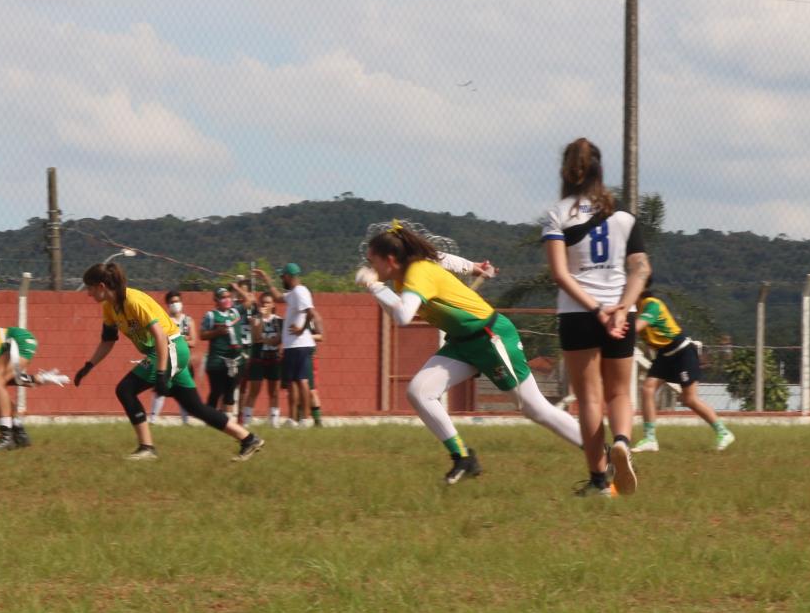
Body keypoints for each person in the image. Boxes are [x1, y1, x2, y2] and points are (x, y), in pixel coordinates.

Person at [356, 220, 583, 485]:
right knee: (420, 392)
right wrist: (473, 266)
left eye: (373, 261)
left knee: (535, 409)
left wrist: (374, 287)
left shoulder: (417, 273)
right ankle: (463, 458)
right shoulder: (405, 274)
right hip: (463, 342)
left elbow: (404, 315)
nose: (371, 267)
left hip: (490, 337)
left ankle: (603, 453)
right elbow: (443, 259)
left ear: (391, 260)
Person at [72, 262, 265, 462]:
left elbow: (161, 337)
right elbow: (108, 340)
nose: (88, 294)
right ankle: (249, 439)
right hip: (164, 352)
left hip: (170, 348)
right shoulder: (109, 307)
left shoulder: (133, 301)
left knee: (125, 389)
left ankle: (146, 447)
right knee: (195, 407)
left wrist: (162, 373)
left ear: (102, 287)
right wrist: (89, 366)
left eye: (90, 288)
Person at [543, 137, 650, 497]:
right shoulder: (623, 217)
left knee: (589, 398)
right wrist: (621, 307)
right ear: (600, 171)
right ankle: (622, 441)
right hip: (621, 314)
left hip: (579, 315)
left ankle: (600, 482)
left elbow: (560, 274)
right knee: (620, 393)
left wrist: (596, 309)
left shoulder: (558, 214)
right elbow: (640, 269)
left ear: (565, 171)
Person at [629, 286, 734, 453]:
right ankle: (650, 439)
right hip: (665, 354)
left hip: (682, 351)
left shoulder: (652, 304)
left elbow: (637, 327)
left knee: (689, 399)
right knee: (647, 389)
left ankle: (724, 432)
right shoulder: (637, 309)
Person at [252, 264, 320, 427]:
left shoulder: (301, 291)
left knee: (301, 380)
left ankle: (305, 419)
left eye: (282, 277)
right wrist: (266, 280)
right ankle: (293, 419)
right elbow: (277, 297)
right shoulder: (294, 293)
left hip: (299, 345)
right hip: (292, 345)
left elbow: (311, 312)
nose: (282, 280)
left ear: (289, 276)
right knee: (293, 381)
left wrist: (301, 329)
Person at [198, 285, 250, 415]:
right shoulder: (211, 315)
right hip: (217, 360)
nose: (227, 299)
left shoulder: (235, 312)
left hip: (234, 361)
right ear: (216, 300)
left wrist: (237, 288)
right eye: (223, 297)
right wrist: (217, 332)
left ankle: (228, 420)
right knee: (216, 391)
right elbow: (202, 335)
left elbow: (249, 300)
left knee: (230, 392)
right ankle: (209, 419)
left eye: (228, 296)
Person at [148, 289, 197, 424]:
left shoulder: (188, 321)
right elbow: (161, 339)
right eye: (172, 302)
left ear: (181, 302)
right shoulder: (164, 320)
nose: (175, 304)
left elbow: (193, 341)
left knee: (184, 391)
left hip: (184, 362)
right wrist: (182, 338)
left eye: (177, 301)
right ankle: (153, 418)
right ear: (167, 305)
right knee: (161, 388)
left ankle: (185, 420)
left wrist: (178, 340)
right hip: (168, 361)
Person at [239, 289, 284, 427]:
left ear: (273, 305)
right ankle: (246, 421)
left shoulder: (279, 321)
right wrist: (262, 320)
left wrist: (269, 341)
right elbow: (257, 338)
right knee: (254, 390)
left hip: (273, 357)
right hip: (258, 357)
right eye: (263, 303)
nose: (265, 305)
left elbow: (279, 340)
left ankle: (274, 421)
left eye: (268, 303)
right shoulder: (255, 319)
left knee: (274, 391)